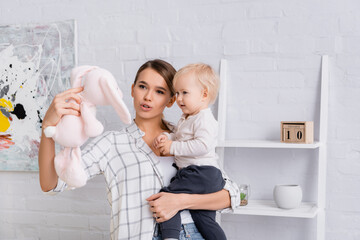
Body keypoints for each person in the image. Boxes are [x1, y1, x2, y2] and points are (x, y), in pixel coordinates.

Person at [38, 59, 240, 240]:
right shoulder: (111, 143)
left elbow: (232, 196)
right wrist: (48, 127)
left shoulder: (186, 136)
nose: (148, 97)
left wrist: (179, 202)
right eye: (143, 87)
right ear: (133, 89)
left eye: (160, 91)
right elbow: (51, 185)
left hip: (196, 233)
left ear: (171, 100)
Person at [153, 63, 226, 240]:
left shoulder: (204, 118)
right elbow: (181, 137)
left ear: (204, 94)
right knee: (203, 217)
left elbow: (202, 145)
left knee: (167, 195)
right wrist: (167, 137)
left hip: (201, 173)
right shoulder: (187, 117)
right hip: (201, 175)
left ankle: (170, 236)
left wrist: (172, 147)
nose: (179, 98)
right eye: (177, 93)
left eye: (185, 93)